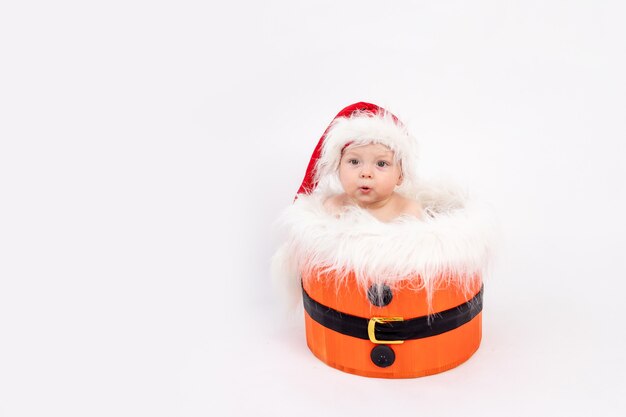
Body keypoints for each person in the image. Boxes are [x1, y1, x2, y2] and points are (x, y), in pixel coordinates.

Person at [322, 141, 423, 222]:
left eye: (381, 164)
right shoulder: (332, 207)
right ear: (338, 168)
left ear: (401, 175)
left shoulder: (408, 212)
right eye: (354, 162)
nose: (366, 173)